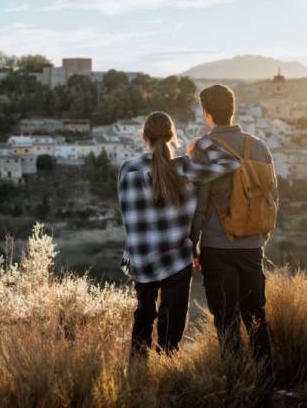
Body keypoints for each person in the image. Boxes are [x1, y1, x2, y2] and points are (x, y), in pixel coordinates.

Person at [118, 111, 240, 357]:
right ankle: (167, 365)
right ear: (173, 136)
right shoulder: (185, 168)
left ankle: (138, 371)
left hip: (141, 258)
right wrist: (204, 140)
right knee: (172, 320)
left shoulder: (127, 170)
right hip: (176, 259)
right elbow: (232, 164)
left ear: (144, 136)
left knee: (143, 314)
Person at [189, 85, 278, 395]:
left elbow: (199, 203)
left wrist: (192, 244)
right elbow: (270, 196)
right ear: (233, 109)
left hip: (218, 246)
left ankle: (236, 387)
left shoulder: (204, 147)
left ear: (207, 113)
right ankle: (267, 386)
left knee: (227, 321)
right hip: (253, 246)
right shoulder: (260, 147)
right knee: (256, 316)